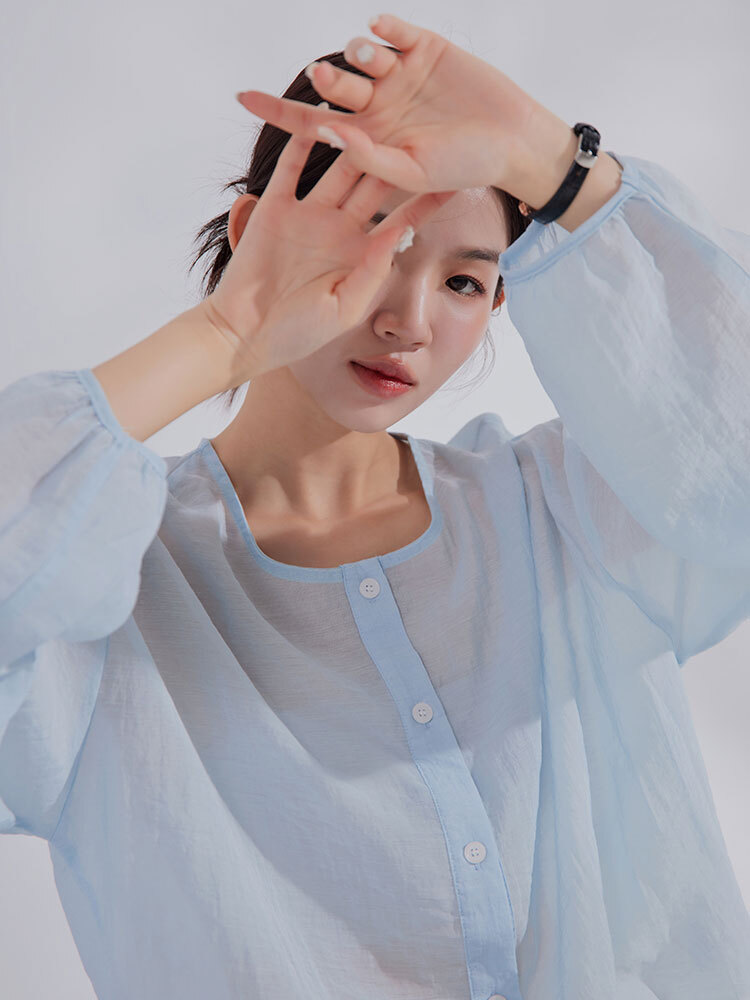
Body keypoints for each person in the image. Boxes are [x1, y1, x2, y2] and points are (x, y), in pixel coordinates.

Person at [1, 11, 749, 999]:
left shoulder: (565, 513)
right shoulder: (112, 589)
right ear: (251, 235)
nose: (410, 320)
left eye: (465, 280)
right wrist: (229, 328)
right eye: (374, 248)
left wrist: (552, 164)